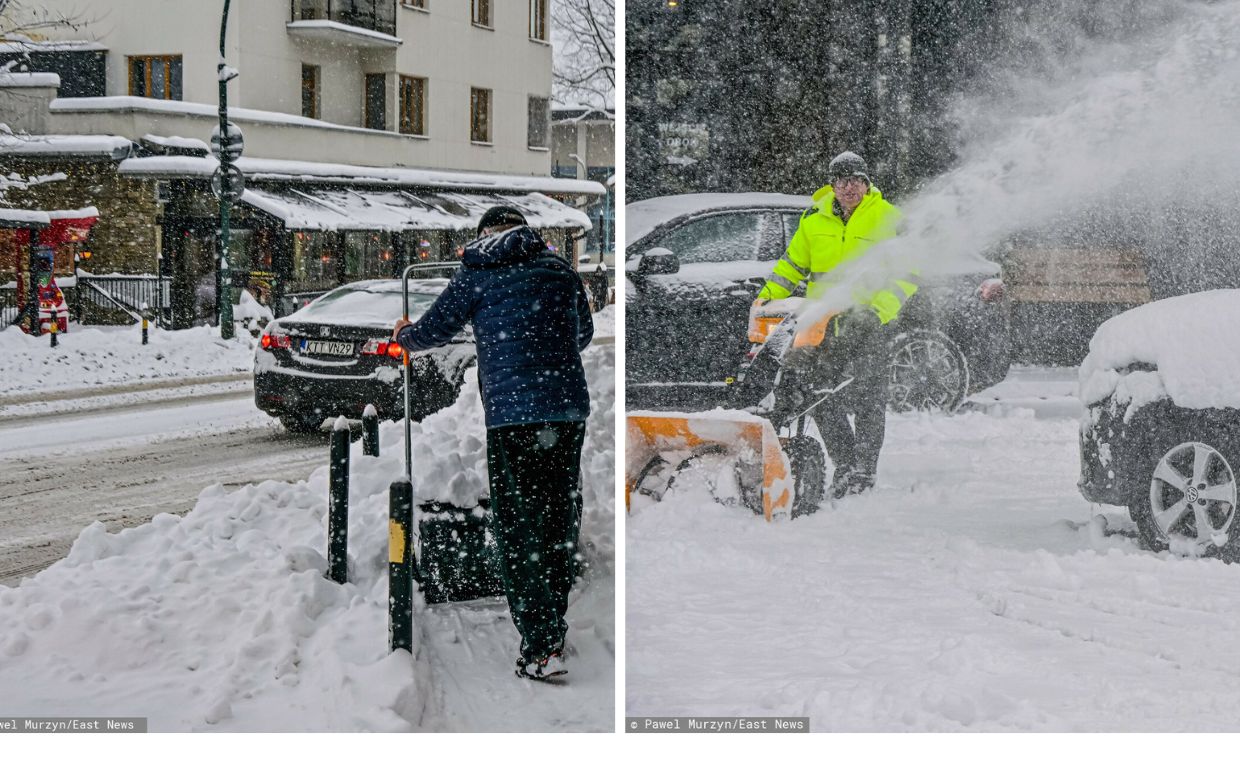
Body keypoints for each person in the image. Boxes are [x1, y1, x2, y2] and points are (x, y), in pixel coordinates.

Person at [392, 205, 593, 681]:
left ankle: (541, 646)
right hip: (566, 410)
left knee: (519, 526)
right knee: (557, 518)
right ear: (526, 231)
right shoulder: (558, 269)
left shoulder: (476, 270)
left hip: (514, 418)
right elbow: (582, 335)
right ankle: (552, 630)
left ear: (483, 235)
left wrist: (407, 335)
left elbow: (437, 328)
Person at [756, 151, 916, 500]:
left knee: (869, 402)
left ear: (867, 182)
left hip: (868, 324)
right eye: (842, 181)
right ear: (832, 185)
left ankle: (864, 472)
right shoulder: (814, 220)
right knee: (819, 396)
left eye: (856, 180)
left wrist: (878, 311)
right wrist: (765, 300)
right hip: (821, 326)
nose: (849, 188)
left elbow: (908, 275)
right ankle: (844, 463)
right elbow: (790, 269)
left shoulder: (889, 219)